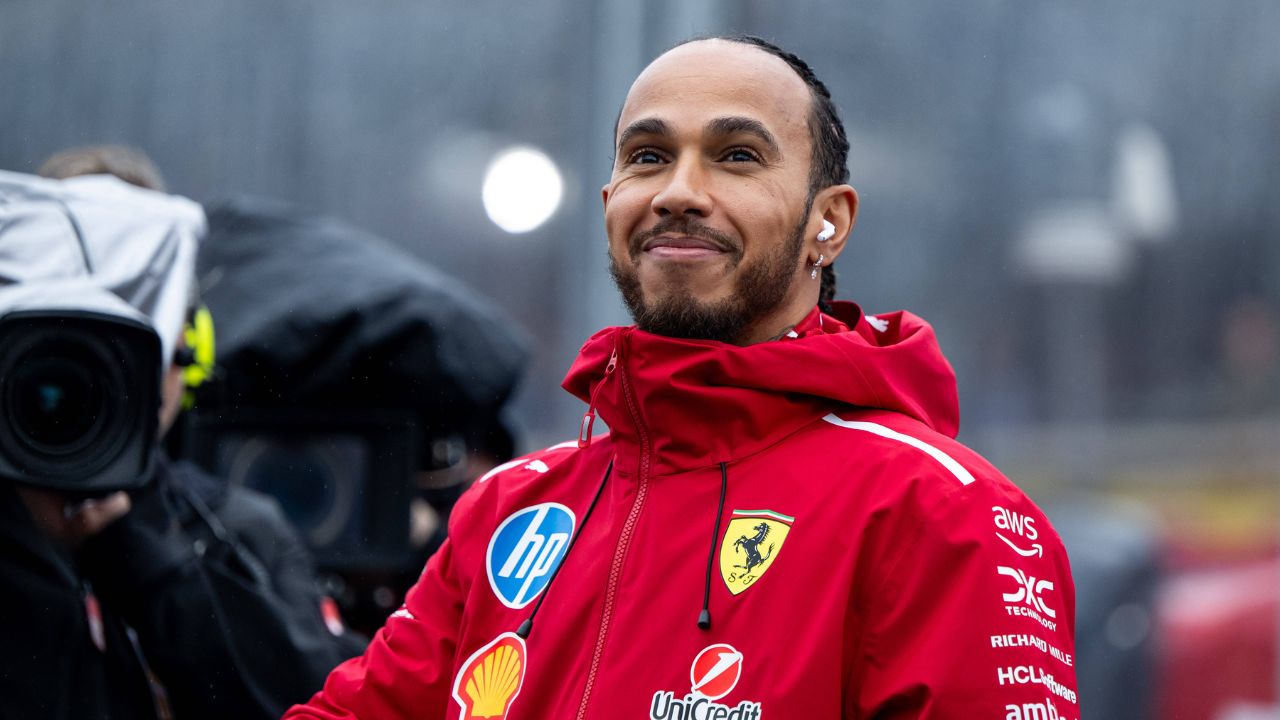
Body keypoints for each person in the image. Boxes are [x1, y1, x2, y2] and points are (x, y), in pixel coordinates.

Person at [287, 35, 1079, 719]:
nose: (678, 193)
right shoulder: (509, 508)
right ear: (610, 203)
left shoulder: (942, 511)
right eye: (648, 157)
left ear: (827, 221)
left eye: (736, 156)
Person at [1, 154, 365, 719]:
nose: (82, 371)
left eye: (125, 326)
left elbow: (315, 706)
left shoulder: (240, 533)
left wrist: (139, 553)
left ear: (185, 350)